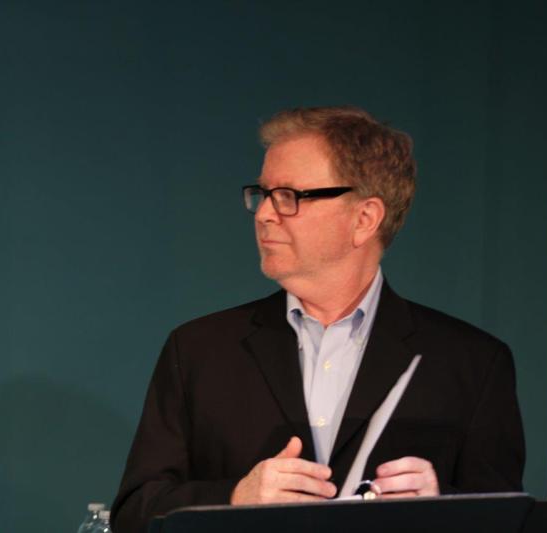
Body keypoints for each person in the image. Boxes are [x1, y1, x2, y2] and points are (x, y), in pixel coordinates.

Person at [110, 106, 525, 533]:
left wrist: (442, 506)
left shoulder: (471, 362)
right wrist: (236, 498)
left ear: (364, 219)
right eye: (263, 193)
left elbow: (508, 520)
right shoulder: (199, 349)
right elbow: (133, 514)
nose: (264, 214)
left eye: (289, 196)